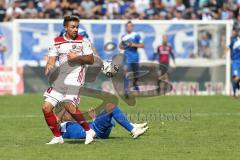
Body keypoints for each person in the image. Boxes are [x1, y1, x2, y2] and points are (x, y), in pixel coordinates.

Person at [42, 15, 95, 145]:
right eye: (72, 27)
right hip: (61, 79)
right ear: (65, 27)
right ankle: (58, 137)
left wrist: (77, 57)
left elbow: (91, 60)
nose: (75, 29)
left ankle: (89, 131)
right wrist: (49, 65)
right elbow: (52, 59)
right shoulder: (57, 42)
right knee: (46, 107)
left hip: (75, 78)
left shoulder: (83, 41)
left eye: (77, 27)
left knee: (68, 104)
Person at [56, 103, 148, 139]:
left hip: (98, 131)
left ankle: (131, 126)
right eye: (68, 112)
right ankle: (133, 129)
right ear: (61, 116)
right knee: (110, 107)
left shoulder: (72, 123)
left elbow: (87, 129)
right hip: (97, 130)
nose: (71, 113)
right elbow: (55, 122)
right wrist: (65, 106)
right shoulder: (61, 128)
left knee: (110, 109)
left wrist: (93, 118)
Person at [119, 21, 144, 98]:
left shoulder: (137, 35)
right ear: (125, 27)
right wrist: (123, 45)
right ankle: (126, 91)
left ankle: (135, 83)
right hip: (127, 57)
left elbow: (142, 45)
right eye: (127, 26)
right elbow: (121, 46)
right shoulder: (124, 36)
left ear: (132, 27)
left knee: (136, 75)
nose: (129, 28)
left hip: (135, 57)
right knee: (126, 72)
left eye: (130, 26)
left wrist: (133, 44)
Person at [229, 30, 240, 97]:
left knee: (237, 78)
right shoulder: (234, 41)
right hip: (235, 62)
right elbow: (228, 47)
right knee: (236, 77)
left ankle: (235, 92)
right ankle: (234, 91)